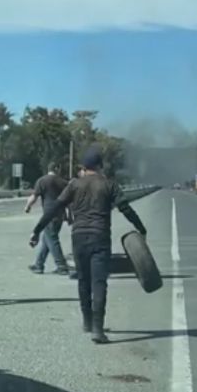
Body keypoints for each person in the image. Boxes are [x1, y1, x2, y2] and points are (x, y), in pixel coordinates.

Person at [29, 146, 147, 344]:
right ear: (100, 166)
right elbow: (125, 208)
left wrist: (37, 230)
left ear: (84, 166)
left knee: (83, 281)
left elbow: (54, 208)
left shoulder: (74, 185)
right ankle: (97, 329)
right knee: (99, 282)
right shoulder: (109, 184)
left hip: (79, 237)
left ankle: (87, 321)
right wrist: (140, 228)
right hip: (100, 237)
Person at [25, 162, 70, 275]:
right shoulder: (64, 182)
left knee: (52, 239)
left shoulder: (42, 181)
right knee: (47, 239)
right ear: (57, 168)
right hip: (60, 215)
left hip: (48, 215)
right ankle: (39, 265)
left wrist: (27, 206)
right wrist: (69, 216)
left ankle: (61, 266)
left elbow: (34, 197)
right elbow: (70, 200)